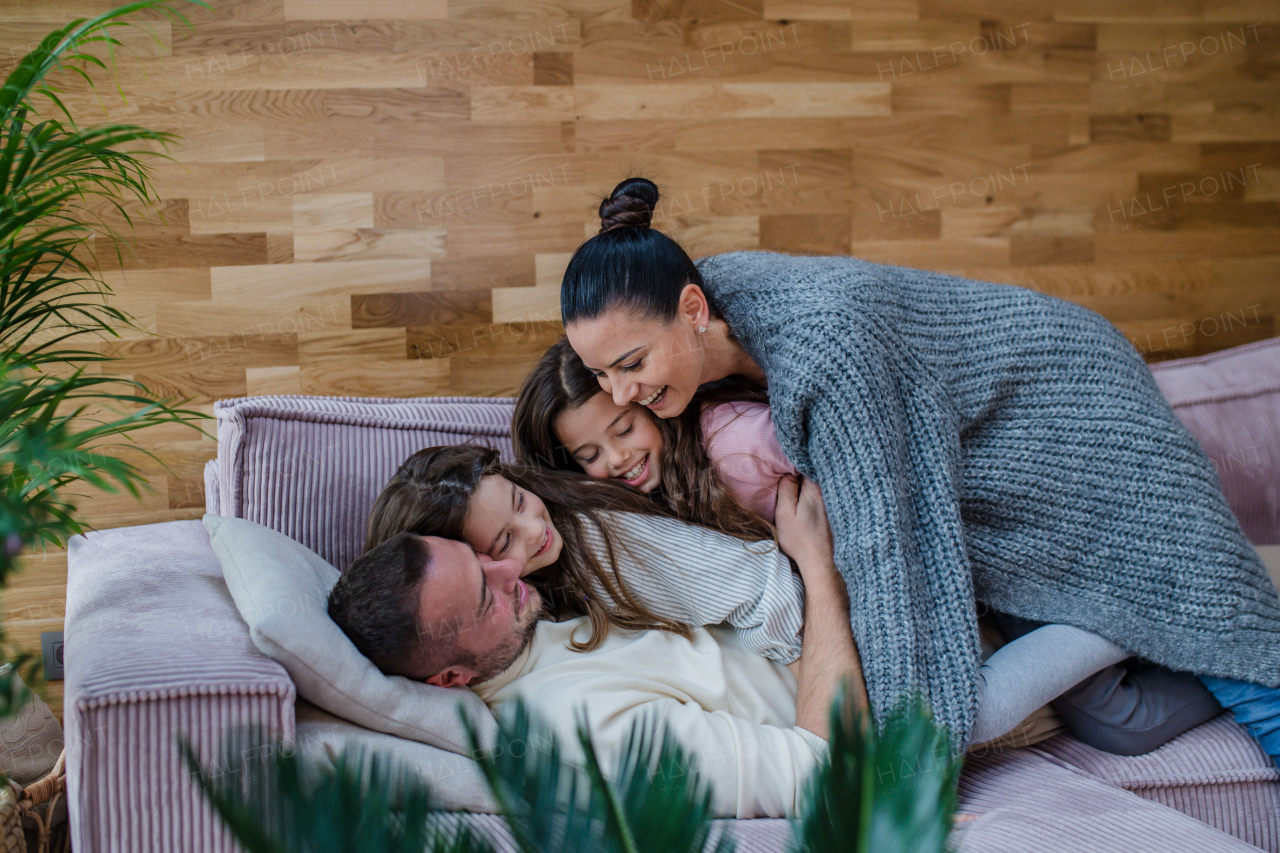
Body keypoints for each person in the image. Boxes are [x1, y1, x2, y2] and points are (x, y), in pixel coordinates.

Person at [558, 176, 1280, 760]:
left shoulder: (824, 354)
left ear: (692, 308)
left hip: (1074, 409)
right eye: (602, 374)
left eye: (632, 365)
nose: (624, 395)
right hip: (982, 442)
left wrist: (909, 780)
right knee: (1117, 720)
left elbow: (886, 559)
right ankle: (1136, 614)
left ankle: (1153, 608)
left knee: (1242, 654)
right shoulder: (702, 323)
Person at [515, 337, 1224, 754]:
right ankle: (1180, 614)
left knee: (1118, 721)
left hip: (972, 549)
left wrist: (820, 557)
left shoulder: (733, 442)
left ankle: (1160, 598)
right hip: (937, 586)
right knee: (1121, 722)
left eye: (622, 430)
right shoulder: (661, 501)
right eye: (587, 455)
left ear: (650, 403)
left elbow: (875, 469)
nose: (615, 460)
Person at [329, 474, 866, 818]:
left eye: (480, 558)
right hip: (873, 694)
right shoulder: (581, 731)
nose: (510, 568)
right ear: (449, 679)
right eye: (482, 596)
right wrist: (818, 568)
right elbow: (829, 771)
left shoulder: (540, 612)